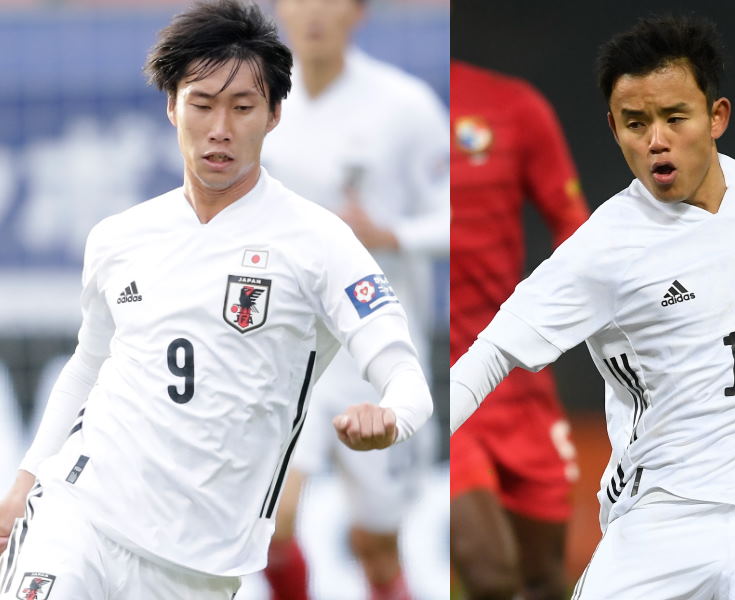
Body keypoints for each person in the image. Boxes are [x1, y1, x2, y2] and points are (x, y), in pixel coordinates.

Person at [0, 1, 433, 598]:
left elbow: (406, 376)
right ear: (171, 106)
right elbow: (87, 368)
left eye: (242, 107)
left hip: (197, 564)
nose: (220, 127)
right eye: (202, 104)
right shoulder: (119, 238)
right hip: (80, 515)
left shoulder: (321, 243)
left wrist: (392, 417)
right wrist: (25, 480)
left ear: (274, 114)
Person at [450, 15, 735, 600]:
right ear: (614, 126)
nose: (656, 141)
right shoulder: (602, 248)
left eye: (675, 117)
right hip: (659, 514)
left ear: (716, 116)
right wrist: (408, 426)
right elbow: (491, 354)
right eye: (636, 123)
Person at [260, 0, 448, 598]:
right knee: (270, 525)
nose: (314, 12)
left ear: (359, 11)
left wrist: (390, 234)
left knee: (376, 546)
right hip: (285, 348)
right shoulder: (253, 100)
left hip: (372, 349)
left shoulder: (404, 107)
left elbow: (460, 214)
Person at [450, 59, 590, 600]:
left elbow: (573, 228)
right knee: (490, 574)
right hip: (437, 377)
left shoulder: (514, 106)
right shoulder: (385, 109)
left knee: (545, 580)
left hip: (513, 376)